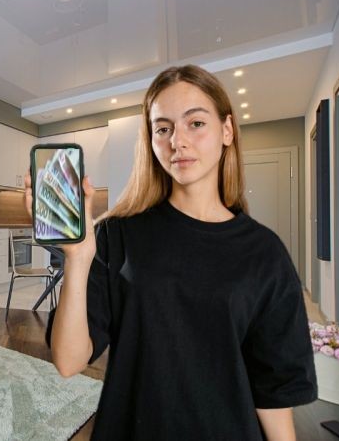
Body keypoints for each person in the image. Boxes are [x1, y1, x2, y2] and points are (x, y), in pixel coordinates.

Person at [24, 65, 316, 441]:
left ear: (227, 130)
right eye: (163, 129)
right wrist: (77, 259)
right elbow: (68, 361)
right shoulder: (117, 234)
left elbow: (273, 393)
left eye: (196, 123)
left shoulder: (265, 252)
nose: (177, 141)